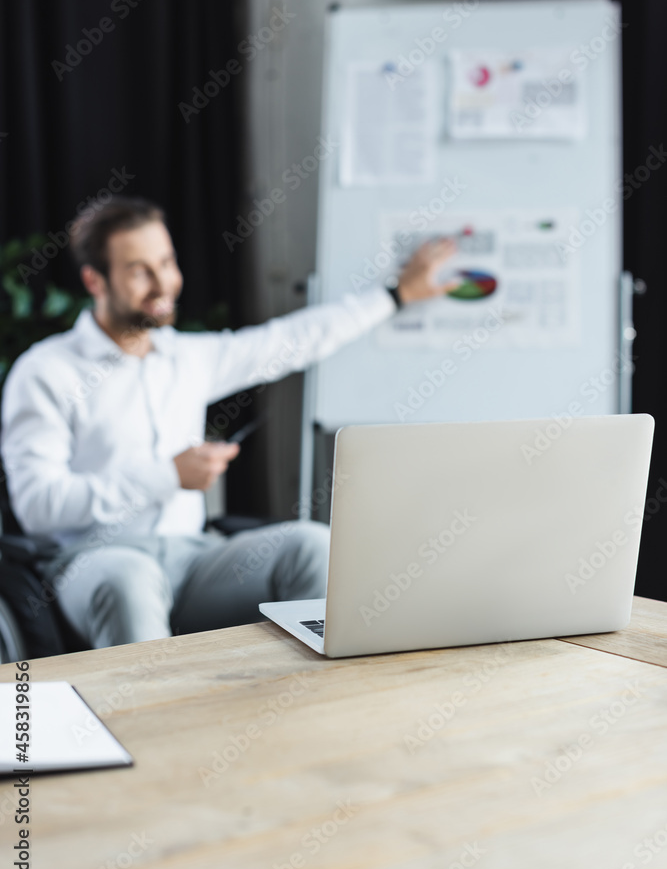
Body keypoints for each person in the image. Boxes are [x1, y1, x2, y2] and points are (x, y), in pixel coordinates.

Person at [1, 197, 456, 648]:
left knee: (312, 547)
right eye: (140, 270)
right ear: (94, 280)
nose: (164, 283)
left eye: (167, 263)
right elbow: (39, 506)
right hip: (93, 561)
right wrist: (168, 476)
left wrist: (395, 296)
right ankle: (160, 723)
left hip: (195, 559)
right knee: (129, 581)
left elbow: (292, 341)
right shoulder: (46, 372)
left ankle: (323, 712)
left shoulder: (186, 358)